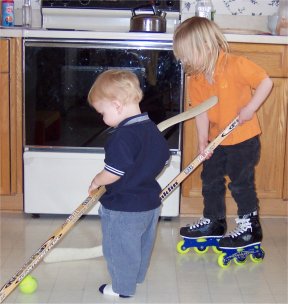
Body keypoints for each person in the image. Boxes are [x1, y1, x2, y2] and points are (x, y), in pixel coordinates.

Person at [173, 17, 273, 251]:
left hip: (243, 139)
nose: (184, 61)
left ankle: (250, 228)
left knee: (240, 183)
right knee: (210, 181)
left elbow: (265, 82)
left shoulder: (235, 64)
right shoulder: (195, 78)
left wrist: (250, 108)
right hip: (217, 141)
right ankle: (215, 222)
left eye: (187, 55)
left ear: (206, 46)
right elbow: (201, 112)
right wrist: (202, 143)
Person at [87, 69, 170, 298]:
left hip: (122, 208)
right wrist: (143, 172)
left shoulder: (122, 136)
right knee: (142, 245)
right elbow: (164, 157)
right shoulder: (150, 128)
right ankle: (136, 277)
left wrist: (97, 180)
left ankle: (122, 287)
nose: (102, 118)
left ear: (116, 105)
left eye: (102, 112)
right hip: (150, 203)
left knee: (120, 249)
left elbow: (113, 173)